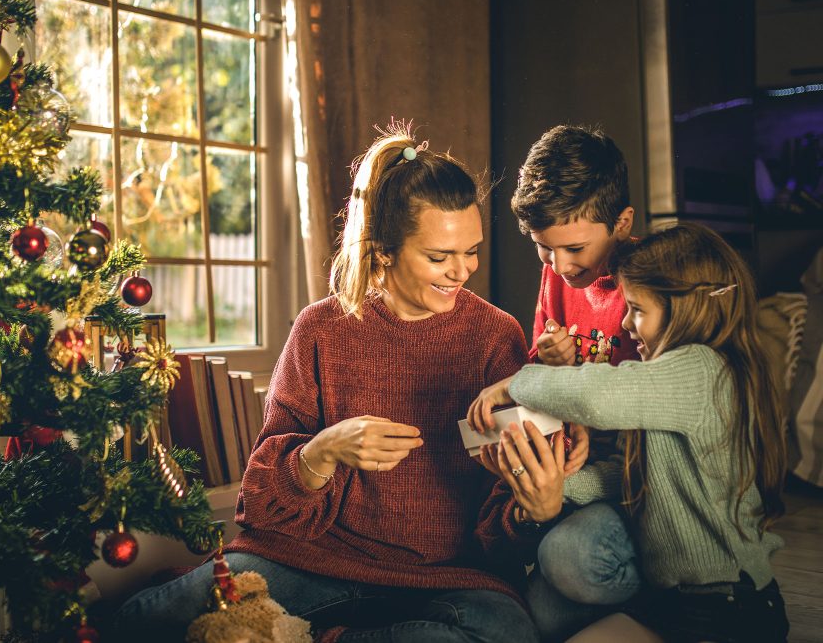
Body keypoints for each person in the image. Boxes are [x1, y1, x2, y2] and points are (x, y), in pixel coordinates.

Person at [112, 123, 543, 642]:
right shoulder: (320, 329)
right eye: (438, 257)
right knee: (141, 621)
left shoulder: (496, 336)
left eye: (470, 251)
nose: (462, 271)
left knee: (506, 633)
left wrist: (530, 506)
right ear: (383, 250)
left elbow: (503, 510)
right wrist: (322, 452)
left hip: (446, 578)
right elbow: (260, 502)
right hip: (311, 561)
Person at [467, 222, 790, 642]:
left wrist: (515, 383)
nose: (625, 322)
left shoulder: (702, 370)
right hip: (671, 601)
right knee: (543, 612)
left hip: (726, 608)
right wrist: (556, 485)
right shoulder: (671, 382)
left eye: (637, 309)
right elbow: (628, 473)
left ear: (684, 308)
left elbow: (597, 395)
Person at [507, 124, 642, 638]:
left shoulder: (649, 282)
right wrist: (545, 361)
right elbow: (539, 384)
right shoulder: (557, 277)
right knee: (538, 615)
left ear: (622, 223)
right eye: (545, 249)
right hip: (579, 476)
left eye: (576, 249)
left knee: (571, 558)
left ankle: (681, 601)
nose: (561, 267)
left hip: (636, 484)